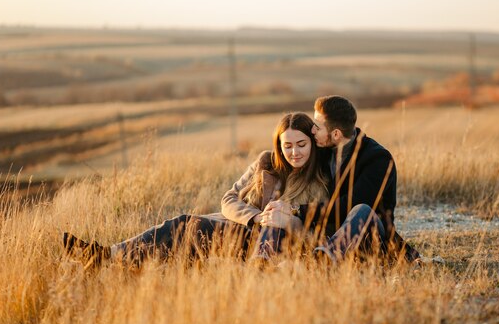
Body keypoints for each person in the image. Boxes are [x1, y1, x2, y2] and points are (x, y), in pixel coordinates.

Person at [63, 112, 329, 270]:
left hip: (273, 246)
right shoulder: (266, 162)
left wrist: (288, 221)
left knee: (191, 227)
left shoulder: (320, 180)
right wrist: (255, 217)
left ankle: (120, 260)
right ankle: (106, 255)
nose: (294, 152)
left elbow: (318, 231)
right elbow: (228, 199)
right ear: (278, 145)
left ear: (312, 144)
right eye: (287, 145)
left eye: (301, 144)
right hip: (243, 226)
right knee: (181, 225)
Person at [267, 95, 423, 264]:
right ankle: (272, 259)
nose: (312, 131)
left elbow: (348, 205)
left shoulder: (378, 159)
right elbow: (291, 155)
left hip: (369, 238)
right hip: (328, 234)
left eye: (318, 127)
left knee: (362, 210)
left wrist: (296, 209)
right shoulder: (323, 150)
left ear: (336, 134)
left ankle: (323, 260)